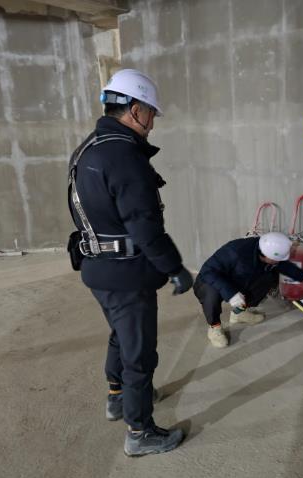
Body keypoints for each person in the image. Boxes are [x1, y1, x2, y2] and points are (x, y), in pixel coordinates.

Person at [67, 69, 193, 456]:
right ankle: (140, 433)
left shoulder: (88, 148)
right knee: (140, 354)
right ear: (135, 109)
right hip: (127, 273)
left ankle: (117, 396)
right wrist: (175, 268)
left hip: (98, 269)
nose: (153, 122)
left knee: (120, 335)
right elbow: (145, 226)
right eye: (151, 112)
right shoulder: (124, 156)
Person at [194, 232, 303, 347]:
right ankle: (214, 327)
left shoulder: (266, 250)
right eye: (278, 259)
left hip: (238, 278)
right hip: (210, 279)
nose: (280, 262)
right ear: (267, 256)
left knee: (268, 278)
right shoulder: (235, 251)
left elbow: (282, 265)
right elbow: (208, 271)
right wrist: (231, 294)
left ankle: (238, 313)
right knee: (211, 292)